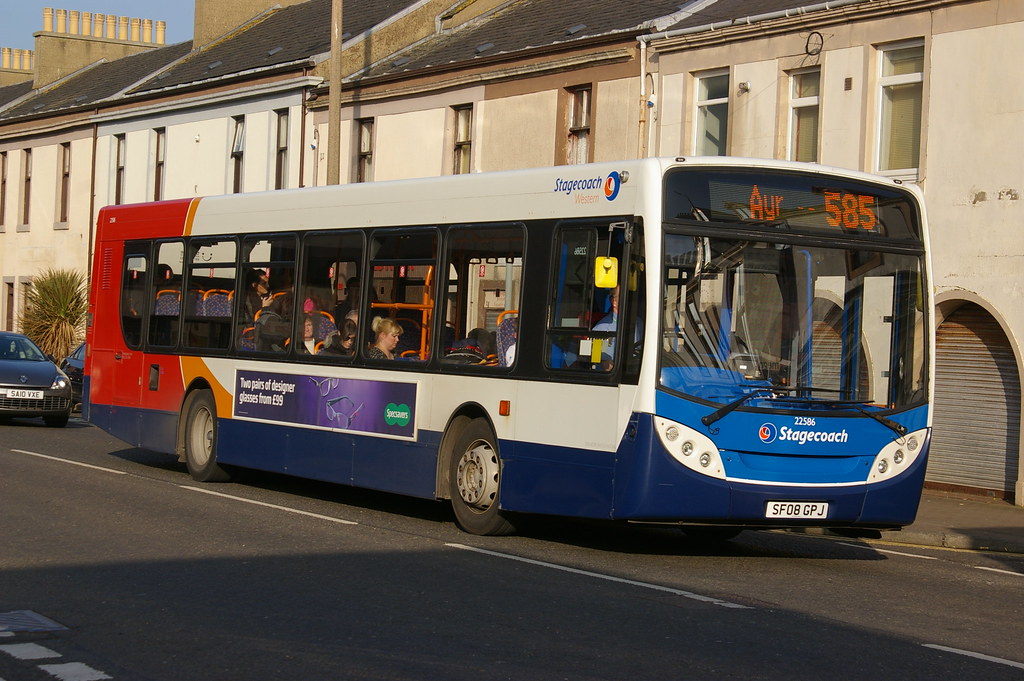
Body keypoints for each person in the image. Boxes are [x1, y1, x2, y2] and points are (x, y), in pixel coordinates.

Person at [592, 285, 619, 369]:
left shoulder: (639, 323)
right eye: (625, 296)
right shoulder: (600, 329)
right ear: (614, 301)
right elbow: (600, 361)